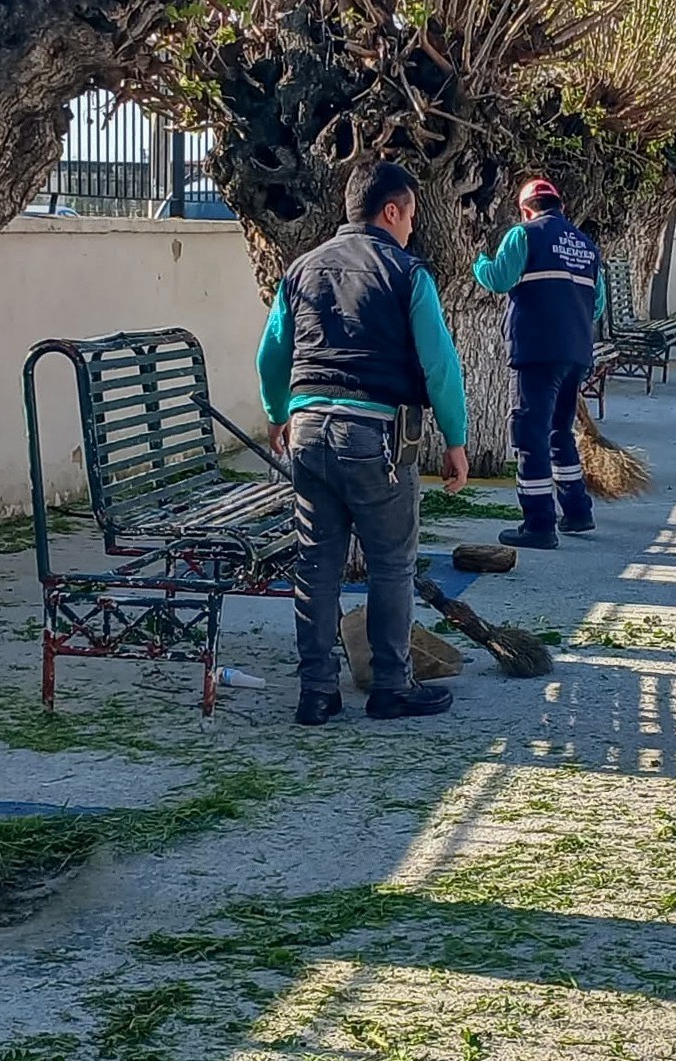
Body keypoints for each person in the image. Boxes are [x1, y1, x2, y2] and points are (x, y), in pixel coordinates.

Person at [257, 160, 470, 727]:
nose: (412, 228)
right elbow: (440, 365)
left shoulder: (301, 269)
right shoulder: (406, 272)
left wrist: (277, 413)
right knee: (391, 564)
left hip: (307, 433)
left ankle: (316, 692)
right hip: (373, 436)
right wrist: (456, 439)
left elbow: (271, 355)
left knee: (316, 564)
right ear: (390, 211)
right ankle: (391, 686)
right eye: (411, 216)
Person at [472, 177, 607, 550]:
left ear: (525, 210)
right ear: (560, 207)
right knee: (559, 431)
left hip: (536, 350)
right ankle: (577, 511)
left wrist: (478, 262)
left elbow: (499, 279)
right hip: (577, 352)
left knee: (530, 434)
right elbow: (597, 305)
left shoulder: (523, 235)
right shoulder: (587, 246)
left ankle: (539, 524)